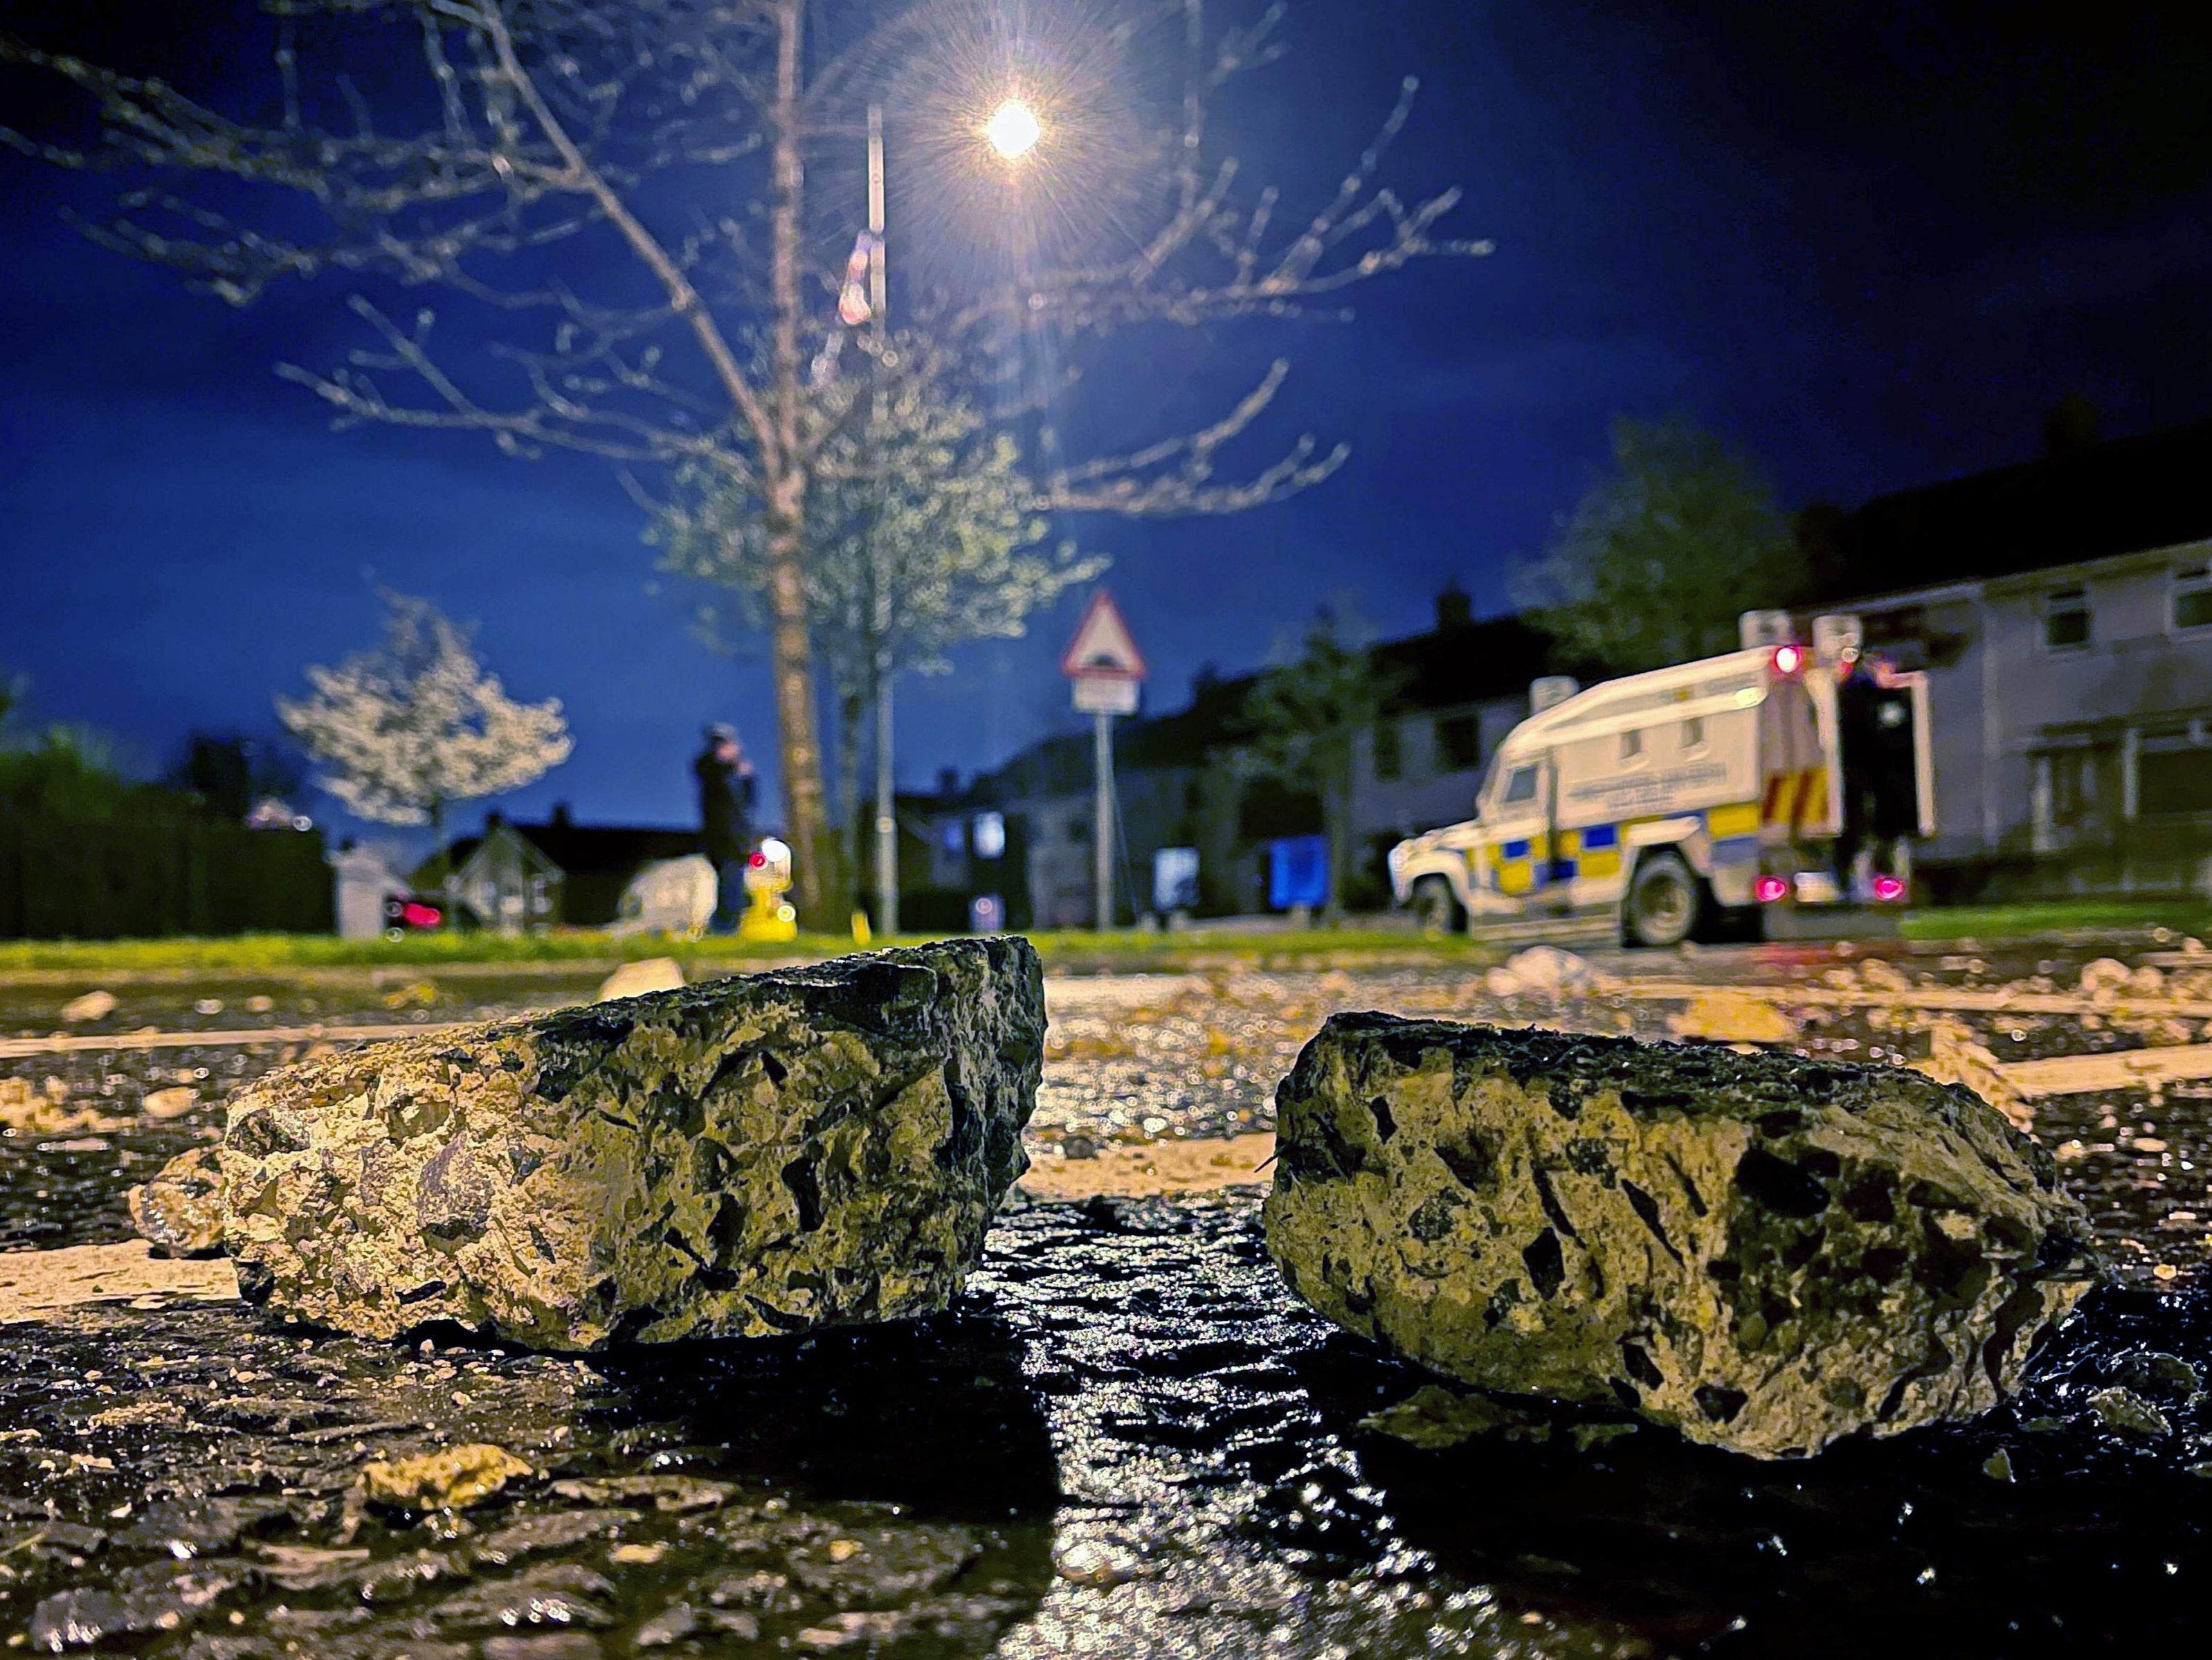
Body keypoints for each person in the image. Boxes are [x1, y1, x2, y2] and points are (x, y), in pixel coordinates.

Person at [694, 723, 756, 932]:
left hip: (738, 838)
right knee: (729, 883)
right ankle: (724, 926)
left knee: (733, 884)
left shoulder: (738, 773)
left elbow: (749, 803)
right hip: (721, 839)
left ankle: (727, 925)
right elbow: (709, 778)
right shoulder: (712, 770)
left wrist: (746, 777)